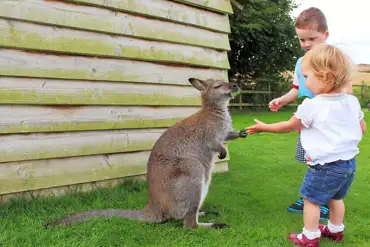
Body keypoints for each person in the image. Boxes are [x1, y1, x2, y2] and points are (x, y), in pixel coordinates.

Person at [246, 44, 366, 246]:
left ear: (324, 76)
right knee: (336, 198)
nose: (304, 82)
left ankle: (309, 237)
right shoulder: (352, 102)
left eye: (307, 76)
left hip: (325, 166)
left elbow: (290, 126)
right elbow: (361, 128)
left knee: (311, 200)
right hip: (348, 164)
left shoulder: (312, 105)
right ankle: (336, 231)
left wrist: (264, 127)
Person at [268, 7, 353, 220]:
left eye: (312, 39)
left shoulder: (334, 59)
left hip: (328, 123)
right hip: (308, 118)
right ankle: (313, 195)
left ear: (325, 35)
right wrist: (282, 99)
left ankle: (321, 201)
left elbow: (346, 90)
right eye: (302, 40)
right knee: (312, 159)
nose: (306, 44)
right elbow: (297, 89)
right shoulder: (301, 62)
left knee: (329, 160)